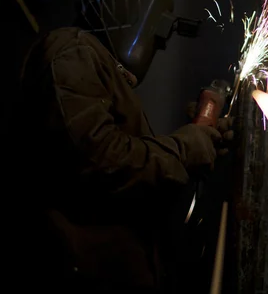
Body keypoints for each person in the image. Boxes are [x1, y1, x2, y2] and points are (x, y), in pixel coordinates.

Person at [14, 22, 233, 293]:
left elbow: (132, 180)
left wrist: (195, 142)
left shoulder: (96, 66)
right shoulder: (72, 50)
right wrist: (181, 149)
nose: (161, 43)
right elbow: (99, 160)